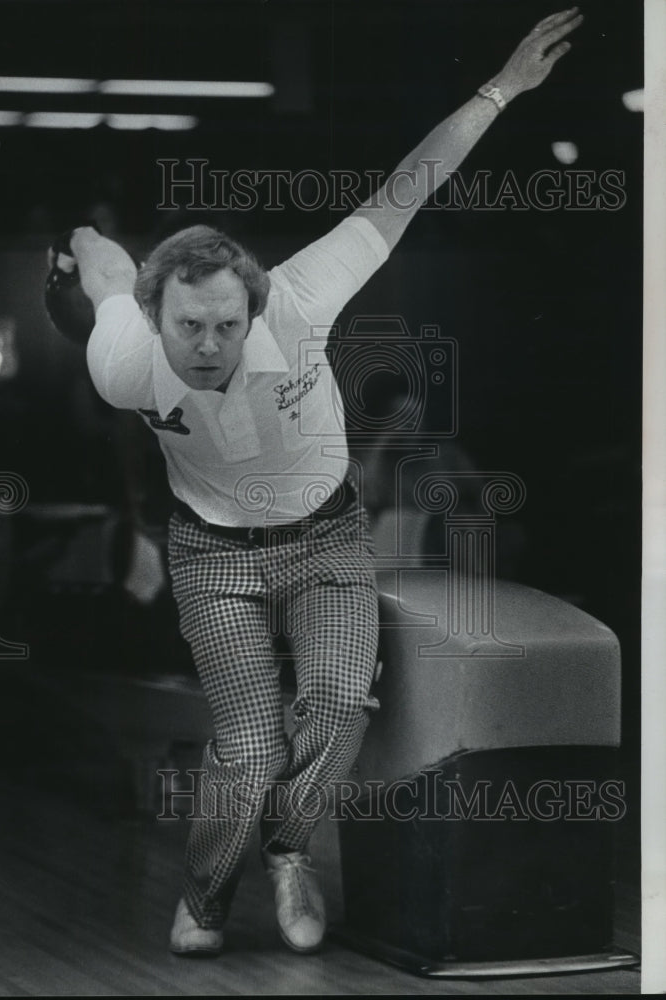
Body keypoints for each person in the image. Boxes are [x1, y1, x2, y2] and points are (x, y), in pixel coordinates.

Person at [57, 7, 582, 956]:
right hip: (212, 553)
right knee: (252, 744)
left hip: (327, 537)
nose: (208, 347)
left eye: (225, 324)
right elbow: (104, 272)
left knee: (339, 705)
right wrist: (83, 241)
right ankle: (207, 898)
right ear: (157, 319)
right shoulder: (122, 358)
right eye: (187, 329)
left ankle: (291, 852)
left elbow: (408, 186)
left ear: (254, 304)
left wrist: (499, 88)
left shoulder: (304, 295)